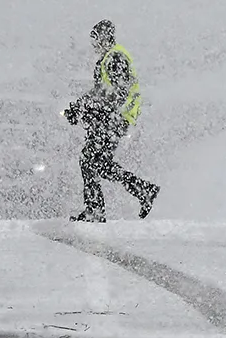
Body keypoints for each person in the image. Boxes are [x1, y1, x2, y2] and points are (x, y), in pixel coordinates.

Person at [62, 19, 159, 222]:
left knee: (89, 160)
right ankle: (142, 190)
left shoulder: (115, 58)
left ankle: (96, 210)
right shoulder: (106, 59)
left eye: (96, 40)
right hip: (110, 119)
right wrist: (79, 106)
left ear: (105, 38)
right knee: (98, 163)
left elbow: (117, 93)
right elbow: (100, 92)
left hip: (116, 119)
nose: (94, 46)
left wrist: (90, 108)